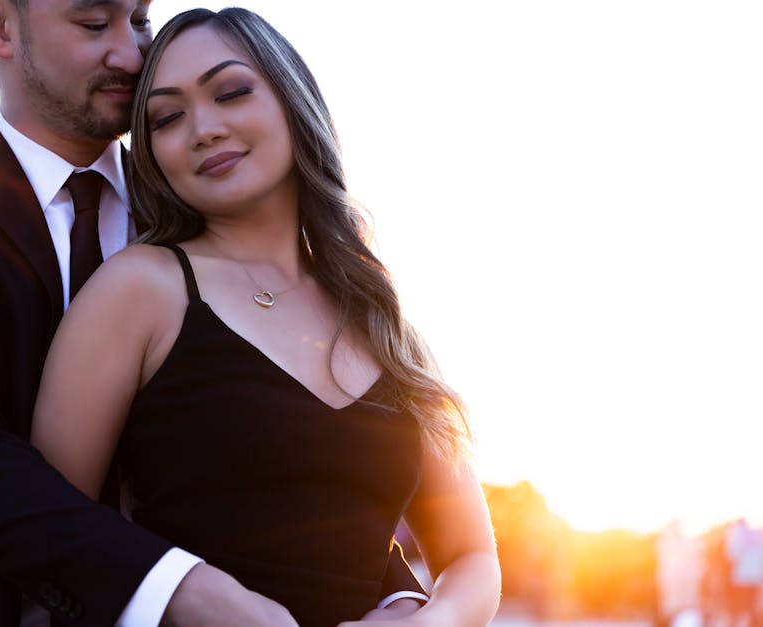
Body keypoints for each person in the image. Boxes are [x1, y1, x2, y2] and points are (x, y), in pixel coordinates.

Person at [0, 1, 423, 625]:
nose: (131, 52)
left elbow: (290, 437)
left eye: (140, 19)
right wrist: (184, 590)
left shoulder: (213, 197)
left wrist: (394, 596)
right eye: (95, 24)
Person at [31, 7, 501, 627]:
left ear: (290, 97)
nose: (203, 129)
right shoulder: (138, 289)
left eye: (230, 92)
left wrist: (426, 621)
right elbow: (43, 532)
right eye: (168, 117)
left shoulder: (383, 321)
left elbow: (472, 556)